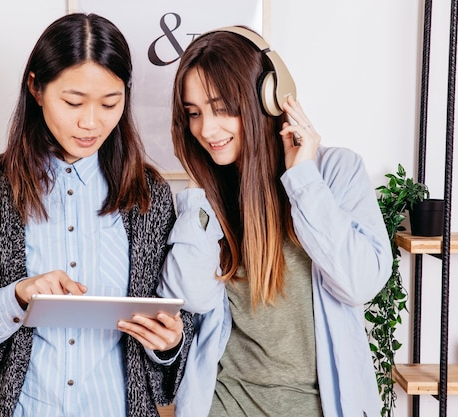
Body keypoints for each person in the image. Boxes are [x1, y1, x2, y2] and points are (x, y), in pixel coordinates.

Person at [0, 13, 193, 417]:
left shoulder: (151, 197)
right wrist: (17, 297)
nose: (91, 122)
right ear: (36, 88)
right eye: (73, 102)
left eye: (110, 103)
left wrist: (170, 344)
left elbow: (184, 321)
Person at [158, 26, 392, 417]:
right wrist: (201, 190)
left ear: (267, 99)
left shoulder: (334, 173)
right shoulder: (207, 200)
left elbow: (360, 283)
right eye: (194, 113)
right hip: (224, 405)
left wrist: (303, 179)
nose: (206, 129)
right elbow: (193, 297)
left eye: (222, 108)